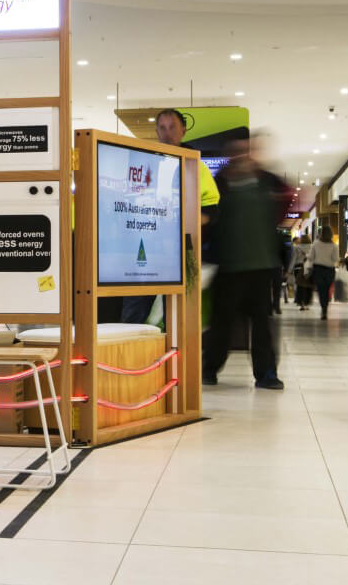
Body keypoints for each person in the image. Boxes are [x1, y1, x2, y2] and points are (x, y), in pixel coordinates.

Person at [116, 108, 221, 324]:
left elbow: (211, 208)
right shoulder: (143, 163)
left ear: (182, 130)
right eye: (162, 128)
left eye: (172, 127)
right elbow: (127, 201)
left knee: (179, 317)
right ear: (156, 131)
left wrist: (185, 227)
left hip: (181, 251)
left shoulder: (195, 165)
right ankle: (131, 357)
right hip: (143, 250)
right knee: (133, 313)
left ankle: (177, 357)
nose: (167, 133)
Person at [203, 136, 289, 389]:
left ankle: (266, 374)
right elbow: (208, 216)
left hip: (261, 266)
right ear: (230, 155)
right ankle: (209, 369)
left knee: (262, 324)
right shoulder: (220, 182)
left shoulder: (267, 181)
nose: (243, 156)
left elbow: (285, 202)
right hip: (228, 267)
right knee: (221, 323)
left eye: (246, 151)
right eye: (237, 151)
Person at [310, 225, 339, 320]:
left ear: (321, 233)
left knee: (320, 290)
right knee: (326, 290)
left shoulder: (315, 244)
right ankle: (325, 308)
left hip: (318, 269)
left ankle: (323, 308)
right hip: (329, 270)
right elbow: (336, 259)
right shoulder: (334, 246)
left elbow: (311, 257)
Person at [291, 235, 313, 310]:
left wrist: (289, 270)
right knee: (309, 285)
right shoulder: (312, 247)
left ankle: (301, 303)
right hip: (309, 268)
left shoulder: (296, 247)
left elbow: (293, 259)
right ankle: (307, 303)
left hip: (298, 267)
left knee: (300, 285)